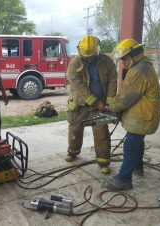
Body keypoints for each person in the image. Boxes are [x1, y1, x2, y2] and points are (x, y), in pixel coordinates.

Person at [104, 39, 160, 190]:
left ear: (133, 55)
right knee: (137, 142)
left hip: (142, 116)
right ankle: (137, 167)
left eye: (124, 58)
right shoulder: (144, 66)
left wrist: (113, 106)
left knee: (130, 144)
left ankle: (124, 179)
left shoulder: (138, 71)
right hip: (146, 114)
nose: (123, 61)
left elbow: (127, 97)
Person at [65, 35, 117, 174]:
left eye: (91, 56)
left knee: (101, 131)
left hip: (100, 104)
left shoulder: (107, 62)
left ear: (98, 50)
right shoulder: (74, 63)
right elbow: (77, 85)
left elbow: (112, 81)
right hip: (79, 103)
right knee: (75, 128)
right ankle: (73, 151)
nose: (89, 59)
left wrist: (110, 101)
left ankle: (103, 161)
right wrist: (95, 101)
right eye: (86, 56)